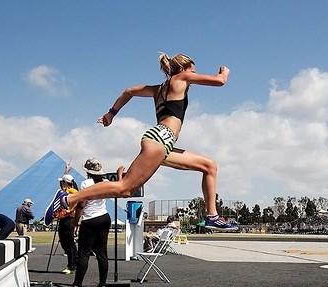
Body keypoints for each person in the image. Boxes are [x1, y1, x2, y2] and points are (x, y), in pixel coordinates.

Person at [54, 52, 237, 231]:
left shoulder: (157, 89)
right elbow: (219, 81)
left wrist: (112, 113)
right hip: (161, 138)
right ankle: (67, 199)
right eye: (193, 72)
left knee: (209, 166)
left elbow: (129, 91)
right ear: (182, 69)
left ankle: (212, 216)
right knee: (125, 189)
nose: (193, 78)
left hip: (163, 143)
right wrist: (224, 72)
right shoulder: (182, 77)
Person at [61, 163, 112, 287]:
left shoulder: (86, 183)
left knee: (83, 253)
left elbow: (81, 204)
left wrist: (75, 224)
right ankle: (102, 286)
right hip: (104, 217)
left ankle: (77, 286)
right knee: (102, 253)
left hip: (90, 219)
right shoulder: (105, 182)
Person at [51, 166, 79, 274]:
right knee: (64, 242)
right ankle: (74, 262)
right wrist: (66, 171)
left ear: (65, 183)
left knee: (69, 242)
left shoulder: (72, 191)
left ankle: (72, 265)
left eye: (62, 182)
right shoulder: (65, 190)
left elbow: (77, 201)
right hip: (63, 219)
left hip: (69, 219)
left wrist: (70, 210)